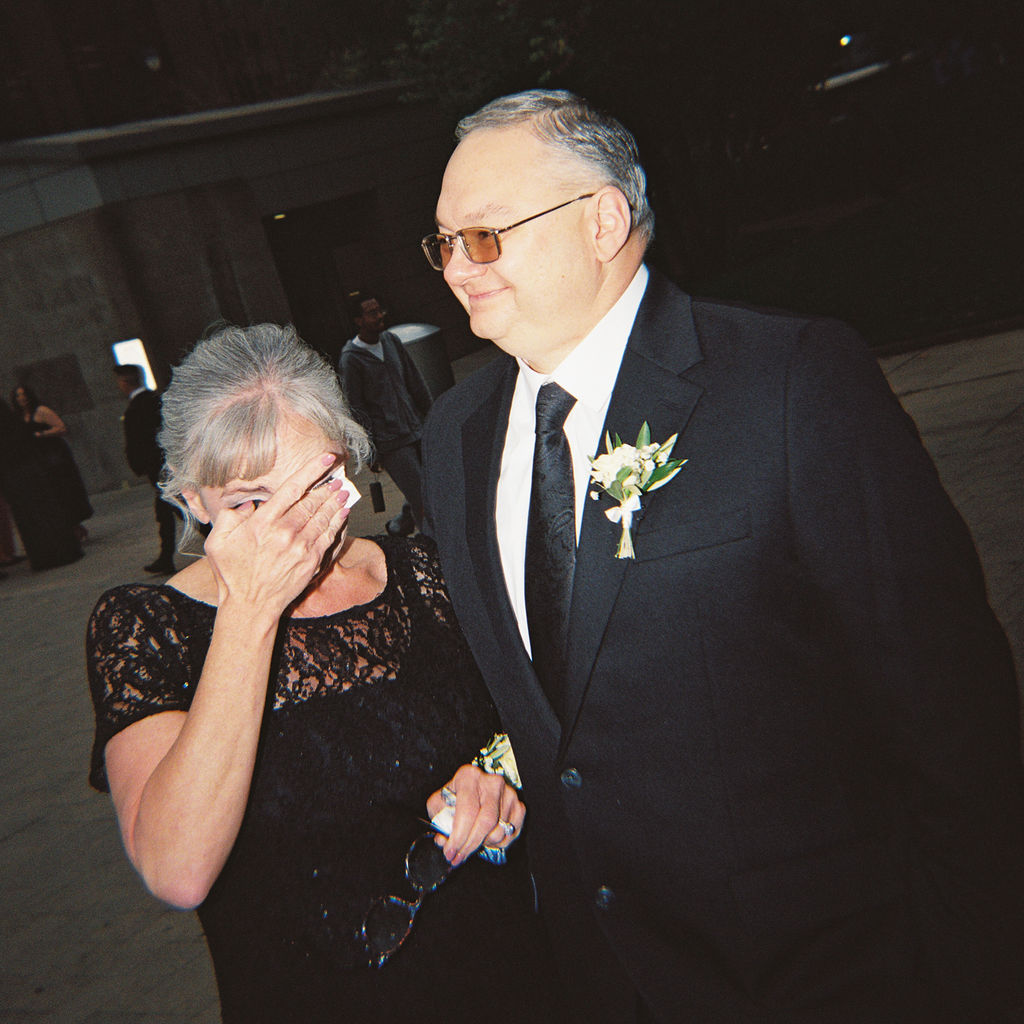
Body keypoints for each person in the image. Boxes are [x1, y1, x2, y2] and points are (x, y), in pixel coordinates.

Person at [419, 89, 1024, 1022]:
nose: (458, 268)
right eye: (444, 242)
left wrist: (971, 972)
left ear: (603, 220)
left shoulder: (788, 383)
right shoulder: (454, 436)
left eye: (487, 235)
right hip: (603, 982)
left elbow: (951, 712)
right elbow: (553, 695)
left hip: (822, 977)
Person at [87, 324, 564, 1024]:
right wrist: (250, 611)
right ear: (191, 501)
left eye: (315, 484)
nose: (294, 527)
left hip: (503, 971)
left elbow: (542, 727)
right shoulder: (145, 627)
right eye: (251, 503)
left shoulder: (427, 575)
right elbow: (176, 867)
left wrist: (499, 782)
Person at [338, 291, 432, 535]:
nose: (379, 316)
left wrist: (431, 415)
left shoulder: (390, 341)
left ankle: (400, 524)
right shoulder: (352, 359)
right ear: (358, 321)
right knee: (423, 498)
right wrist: (370, 451)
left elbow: (414, 380)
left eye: (380, 310)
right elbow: (357, 409)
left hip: (415, 428)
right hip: (391, 443)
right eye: (371, 313)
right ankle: (432, 548)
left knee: (430, 485)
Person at [0, 397, 82, 570]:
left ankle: (46, 556)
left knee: (31, 518)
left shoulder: (7, 432)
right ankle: (60, 551)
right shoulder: (14, 425)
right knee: (44, 513)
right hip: (29, 473)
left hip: (16, 477)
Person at [114, 364, 177, 575]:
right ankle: (165, 557)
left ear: (124, 383)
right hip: (167, 463)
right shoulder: (156, 400)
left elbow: (136, 443)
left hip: (156, 467)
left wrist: (139, 465)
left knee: (173, 510)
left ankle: (166, 557)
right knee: (170, 510)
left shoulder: (134, 410)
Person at [12, 383, 93, 541]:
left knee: (63, 490)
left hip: (54, 455)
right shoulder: (20, 417)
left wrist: (41, 434)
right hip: (38, 458)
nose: (22, 398)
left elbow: (61, 428)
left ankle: (75, 526)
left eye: (24, 394)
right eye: (18, 395)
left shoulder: (41, 411)